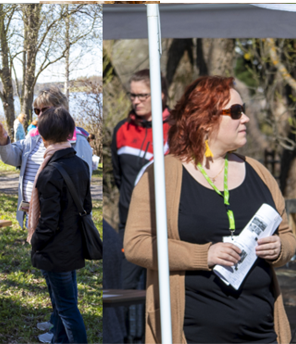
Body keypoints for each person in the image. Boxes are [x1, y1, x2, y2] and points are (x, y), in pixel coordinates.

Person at [125, 75, 296, 344]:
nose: (246, 119)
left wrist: (280, 248)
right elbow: (136, 244)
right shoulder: (161, 175)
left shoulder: (259, 172)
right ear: (205, 120)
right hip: (191, 333)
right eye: (236, 112)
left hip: (262, 333)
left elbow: (287, 235)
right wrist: (203, 255)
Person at [106, 68, 170, 344]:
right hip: (130, 225)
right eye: (132, 95)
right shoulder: (122, 130)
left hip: (169, 227)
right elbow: (120, 177)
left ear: (161, 95)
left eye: (142, 95)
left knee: (164, 289)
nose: (136, 101)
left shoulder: (177, 130)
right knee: (125, 288)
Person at [0, 87, 96, 231]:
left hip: (63, 222)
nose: (40, 115)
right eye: (36, 111)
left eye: (45, 110)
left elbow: (82, 185)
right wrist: (3, 140)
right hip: (34, 217)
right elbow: (12, 157)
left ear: (61, 110)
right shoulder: (33, 137)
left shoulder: (78, 141)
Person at [29, 107, 92, 344]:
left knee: (66, 309)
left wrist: (35, 241)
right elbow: (85, 206)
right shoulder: (80, 165)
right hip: (73, 245)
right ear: (70, 133)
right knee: (68, 303)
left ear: (42, 137)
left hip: (55, 250)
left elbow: (49, 222)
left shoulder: (49, 172)